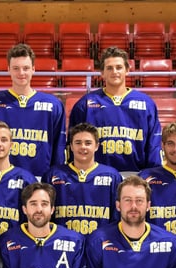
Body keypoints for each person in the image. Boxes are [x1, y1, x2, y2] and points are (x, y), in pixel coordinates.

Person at [0, 43, 66, 180]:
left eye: (26, 68)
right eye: (16, 68)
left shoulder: (53, 105)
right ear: (8, 69)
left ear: (33, 69)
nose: (21, 73)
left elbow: (58, 148)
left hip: (39, 180)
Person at [68, 47, 162, 175]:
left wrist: (152, 175)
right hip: (96, 176)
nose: (114, 72)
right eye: (109, 68)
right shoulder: (85, 104)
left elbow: (153, 145)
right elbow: (73, 143)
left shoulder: (146, 104)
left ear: (127, 70)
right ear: (102, 73)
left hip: (135, 175)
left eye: (119, 67)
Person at [47, 122, 123, 235]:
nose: (83, 147)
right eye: (78, 143)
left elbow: (117, 217)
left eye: (88, 143)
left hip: (100, 242)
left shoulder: (112, 176)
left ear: (96, 146)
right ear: (71, 146)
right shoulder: (53, 174)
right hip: (63, 242)